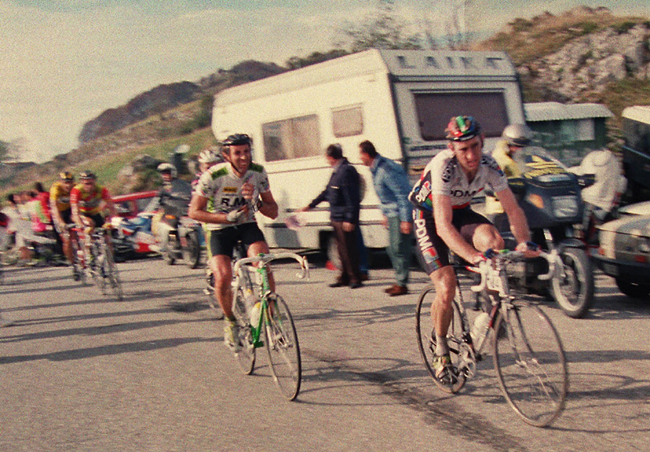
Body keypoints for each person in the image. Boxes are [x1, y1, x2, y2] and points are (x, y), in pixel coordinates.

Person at [409, 116, 538, 383]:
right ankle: (442, 347)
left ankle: (490, 310)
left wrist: (524, 241)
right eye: (463, 149)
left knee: (495, 244)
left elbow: (513, 209)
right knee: (446, 286)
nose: (470, 155)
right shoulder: (443, 166)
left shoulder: (490, 164)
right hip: (430, 218)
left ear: (482, 142)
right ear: (452, 149)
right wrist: (473, 257)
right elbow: (443, 226)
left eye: (475, 147)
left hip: (460, 213)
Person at [188, 133, 279, 351]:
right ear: (226, 155)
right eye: (237, 153)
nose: (243, 157)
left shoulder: (258, 173)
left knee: (263, 263)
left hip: (247, 224)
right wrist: (225, 218)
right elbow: (194, 211)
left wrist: (256, 201)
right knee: (223, 276)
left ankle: (272, 319)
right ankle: (230, 320)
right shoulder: (213, 176)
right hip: (220, 228)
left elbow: (273, 211)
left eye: (246, 151)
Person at [300, 144, 363, 289]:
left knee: (349, 249)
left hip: (343, 217)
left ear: (331, 157)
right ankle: (344, 276)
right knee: (341, 250)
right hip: (336, 217)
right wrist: (310, 205)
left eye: (327, 158)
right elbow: (327, 193)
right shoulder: (337, 172)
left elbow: (351, 197)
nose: (327, 161)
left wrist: (350, 218)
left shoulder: (346, 171)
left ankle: (355, 278)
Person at [359, 140, 413, 296]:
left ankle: (402, 284)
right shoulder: (375, 169)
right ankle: (399, 281)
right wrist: (384, 214)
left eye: (361, 154)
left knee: (399, 248)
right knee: (391, 249)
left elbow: (402, 194)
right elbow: (385, 196)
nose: (360, 158)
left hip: (399, 213)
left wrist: (406, 219)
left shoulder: (386, 169)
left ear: (367, 154)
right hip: (391, 213)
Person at [484, 124, 533, 229]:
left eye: (523, 146)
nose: (520, 149)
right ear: (507, 143)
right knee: (502, 241)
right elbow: (492, 183)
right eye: (516, 146)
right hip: (500, 209)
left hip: (521, 205)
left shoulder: (522, 158)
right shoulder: (498, 158)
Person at [70, 170, 117, 262]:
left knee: (107, 238)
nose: (90, 186)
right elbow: (75, 212)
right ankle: (89, 254)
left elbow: (112, 207)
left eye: (91, 183)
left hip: (95, 213)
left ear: (95, 181)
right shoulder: (77, 190)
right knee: (90, 225)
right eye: (87, 184)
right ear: (82, 182)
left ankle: (110, 262)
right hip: (82, 214)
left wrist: (112, 221)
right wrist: (82, 226)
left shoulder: (101, 189)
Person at [50, 172, 80, 276]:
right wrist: (62, 223)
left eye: (70, 182)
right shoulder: (55, 189)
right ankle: (73, 264)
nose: (68, 185)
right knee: (67, 239)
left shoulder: (76, 187)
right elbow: (54, 208)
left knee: (79, 228)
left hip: (71, 210)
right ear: (60, 182)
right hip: (60, 212)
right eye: (65, 182)